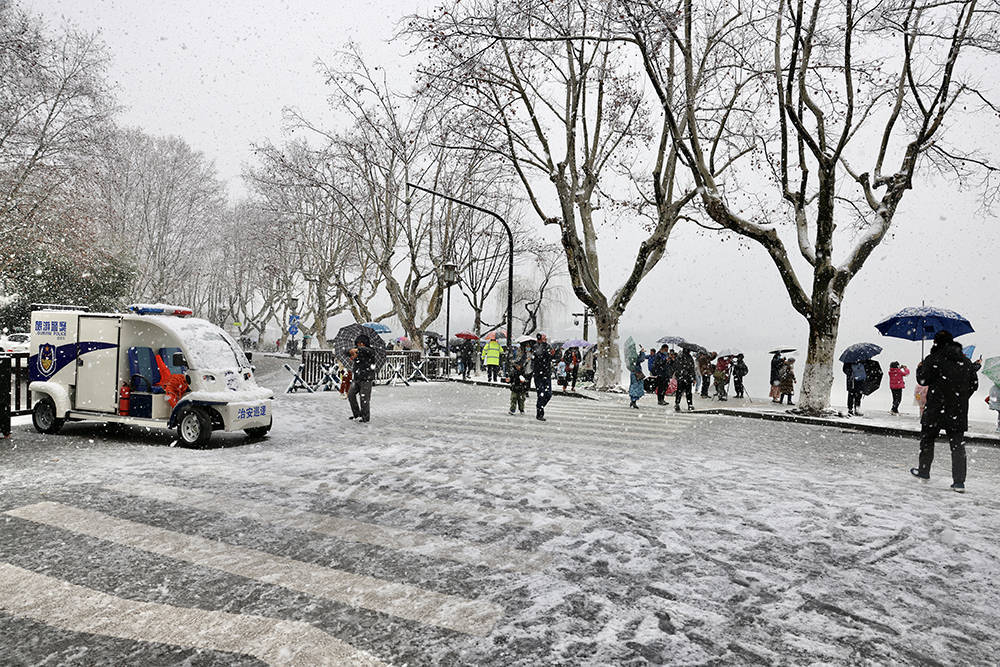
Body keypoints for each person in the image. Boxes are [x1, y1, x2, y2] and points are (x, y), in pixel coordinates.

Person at [910, 331, 978, 492]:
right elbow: (974, 384)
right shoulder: (965, 362)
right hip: (957, 409)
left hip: (935, 407)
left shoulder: (933, 359)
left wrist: (919, 368)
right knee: (957, 445)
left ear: (936, 343)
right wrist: (961, 397)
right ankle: (959, 482)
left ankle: (924, 471)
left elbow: (922, 380)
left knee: (927, 440)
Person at [347, 334, 376, 423]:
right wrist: (353, 356)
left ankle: (365, 417)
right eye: (358, 343)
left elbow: (368, 351)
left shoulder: (370, 351)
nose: (360, 345)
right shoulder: (357, 352)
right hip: (357, 378)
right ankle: (357, 414)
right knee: (351, 395)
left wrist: (358, 349)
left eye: (362, 343)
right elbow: (349, 354)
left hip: (367, 378)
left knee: (364, 398)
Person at [532, 332, 553, 421]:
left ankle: (539, 406)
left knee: (548, 394)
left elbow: (551, 356)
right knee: (541, 394)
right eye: (543, 339)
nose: (544, 340)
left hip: (546, 373)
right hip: (538, 374)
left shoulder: (548, 347)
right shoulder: (536, 347)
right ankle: (539, 413)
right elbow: (538, 355)